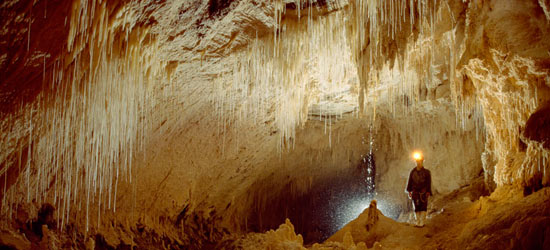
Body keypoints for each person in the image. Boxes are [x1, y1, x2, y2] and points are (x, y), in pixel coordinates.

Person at [405, 151, 432, 227]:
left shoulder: (426, 172)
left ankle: (422, 222)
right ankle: (418, 221)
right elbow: (410, 181)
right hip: (415, 192)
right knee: (416, 206)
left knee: (423, 206)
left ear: (422, 161)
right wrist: (409, 191)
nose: (419, 163)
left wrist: (428, 191)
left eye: (420, 161)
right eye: (417, 161)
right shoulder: (412, 172)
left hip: (423, 192)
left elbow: (428, 182)